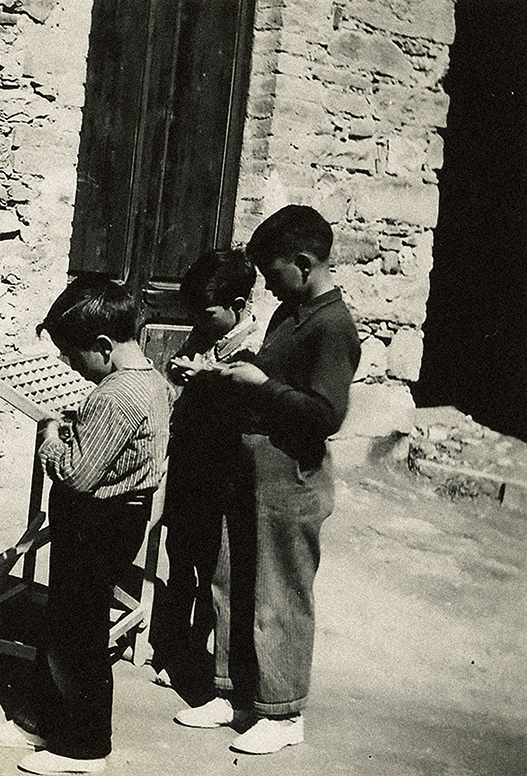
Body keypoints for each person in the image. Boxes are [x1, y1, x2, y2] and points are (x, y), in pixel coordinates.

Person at [173, 205, 361, 755]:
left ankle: (283, 712)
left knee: (279, 593)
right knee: (232, 579)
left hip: (290, 477)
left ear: (303, 264)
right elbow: (271, 378)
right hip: (250, 469)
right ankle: (234, 693)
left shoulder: (331, 326)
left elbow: (325, 415)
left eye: (273, 274)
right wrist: (219, 374)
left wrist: (258, 385)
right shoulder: (292, 312)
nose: (269, 290)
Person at [0, 275, 171, 775]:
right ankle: (44, 720)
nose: (69, 365)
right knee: (63, 624)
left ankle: (84, 747)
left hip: (98, 520)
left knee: (80, 636)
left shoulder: (115, 396)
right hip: (114, 515)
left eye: (73, 355)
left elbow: (79, 473)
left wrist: (51, 434)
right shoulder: (149, 379)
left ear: (103, 348)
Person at [149, 248, 260, 703]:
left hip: (219, 472)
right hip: (188, 466)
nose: (199, 318)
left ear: (237, 306)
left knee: (214, 571)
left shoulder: (249, 347)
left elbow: (240, 411)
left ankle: (207, 663)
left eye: (207, 310)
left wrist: (207, 381)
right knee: (181, 557)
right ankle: (178, 649)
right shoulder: (203, 334)